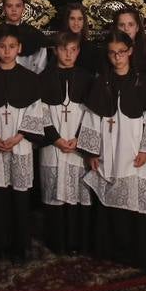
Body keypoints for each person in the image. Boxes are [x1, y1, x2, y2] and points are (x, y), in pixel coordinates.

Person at [79, 31, 146, 271]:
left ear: (130, 51)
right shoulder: (102, 83)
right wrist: (90, 152)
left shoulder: (145, 82)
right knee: (111, 201)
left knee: (138, 203)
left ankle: (140, 253)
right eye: (112, 53)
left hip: (137, 154)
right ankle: (113, 252)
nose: (117, 57)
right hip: (109, 152)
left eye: (121, 52)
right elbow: (91, 118)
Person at [0, 28, 45, 262]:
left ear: (20, 49)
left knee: (19, 197)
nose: (7, 51)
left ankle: (19, 246)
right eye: (3, 46)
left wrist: (19, 136)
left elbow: (36, 110)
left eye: (12, 46)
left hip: (19, 144)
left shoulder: (30, 79)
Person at [38, 30, 95, 253]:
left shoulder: (87, 78)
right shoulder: (43, 78)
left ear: (78, 51)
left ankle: (77, 242)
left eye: (73, 50)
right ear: (55, 50)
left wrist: (80, 138)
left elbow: (92, 113)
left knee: (78, 192)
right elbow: (39, 113)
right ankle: (57, 242)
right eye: (64, 49)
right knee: (54, 192)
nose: (68, 54)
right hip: (54, 145)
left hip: (78, 145)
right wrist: (56, 139)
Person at [0, 0, 48, 73]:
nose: (14, 10)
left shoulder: (35, 35)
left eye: (18, 6)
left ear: (23, 8)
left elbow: (40, 67)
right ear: (3, 8)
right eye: (9, 6)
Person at [112, 6, 146, 77]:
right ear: (116, 28)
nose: (126, 28)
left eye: (130, 24)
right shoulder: (107, 51)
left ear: (137, 28)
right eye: (122, 25)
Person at [55, 3, 103, 73]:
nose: (76, 23)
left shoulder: (91, 48)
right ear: (67, 20)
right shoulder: (59, 44)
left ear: (84, 21)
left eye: (80, 19)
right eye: (72, 19)